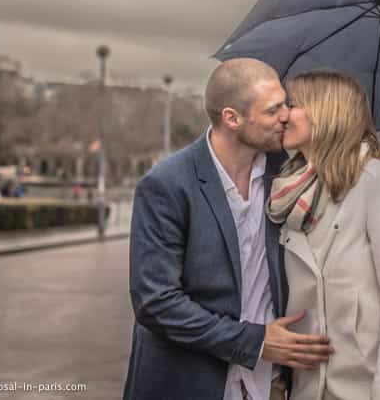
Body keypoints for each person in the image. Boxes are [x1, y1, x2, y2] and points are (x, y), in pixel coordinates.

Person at [123, 58, 333, 400]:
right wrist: (256, 341)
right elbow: (156, 302)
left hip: (269, 385)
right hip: (188, 381)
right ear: (232, 118)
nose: (285, 116)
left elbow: (343, 167)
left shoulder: (288, 172)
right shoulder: (167, 184)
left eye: (285, 104)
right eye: (272, 110)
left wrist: (376, 169)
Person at [268, 71, 380, 400]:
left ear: (325, 112)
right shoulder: (289, 191)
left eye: (292, 105)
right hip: (307, 388)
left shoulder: (378, 181)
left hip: (368, 388)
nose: (282, 115)